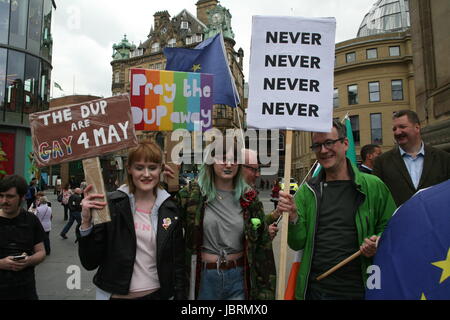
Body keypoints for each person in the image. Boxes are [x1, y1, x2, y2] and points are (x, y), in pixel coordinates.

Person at [277, 120, 397, 300]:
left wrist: (377, 242)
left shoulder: (374, 186)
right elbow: (296, 243)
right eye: (317, 145)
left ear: (345, 143)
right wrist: (293, 218)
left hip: (361, 288)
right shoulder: (306, 191)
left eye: (329, 143)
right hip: (316, 290)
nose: (323, 150)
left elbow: (392, 229)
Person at [78, 140, 186, 300]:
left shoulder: (169, 208)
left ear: (161, 170)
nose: (147, 174)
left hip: (157, 295)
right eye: (139, 167)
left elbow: (177, 264)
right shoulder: (112, 204)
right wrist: (86, 222)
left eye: (152, 167)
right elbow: (90, 262)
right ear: (129, 169)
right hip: (116, 295)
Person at [176, 140, 276, 300]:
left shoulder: (249, 198)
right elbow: (166, 224)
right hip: (204, 280)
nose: (229, 164)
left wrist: (266, 290)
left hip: (238, 279)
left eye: (235, 159)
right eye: (223, 158)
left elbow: (263, 247)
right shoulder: (191, 195)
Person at [373, 110, 450, 206]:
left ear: (417, 127)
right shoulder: (382, 162)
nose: (397, 132)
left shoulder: (443, 158)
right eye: (394, 129)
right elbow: (377, 199)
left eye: (402, 127)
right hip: (399, 220)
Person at [0, 175, 46, 300]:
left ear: (22, 197)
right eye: (1, 196)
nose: (4, 200)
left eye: (10, 196)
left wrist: (28, 261)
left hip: (25, 290)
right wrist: (2, 263)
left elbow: (41, 252)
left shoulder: (31, 220)